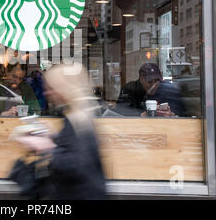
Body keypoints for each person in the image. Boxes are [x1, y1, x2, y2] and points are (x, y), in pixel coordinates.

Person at [11, 64, 106, 199]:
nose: (46, 93)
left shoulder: (79, 117)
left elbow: (77, 164)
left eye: (50, 88)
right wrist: (51, 136)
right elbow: (74, 148)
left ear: (62, 88)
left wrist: (45, 146)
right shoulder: (77, 113)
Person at [116, 63, 184, 117]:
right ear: (141, 79)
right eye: (150, 82)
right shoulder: (130, 89)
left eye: (157, 81)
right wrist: (140, 115)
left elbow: (179, 113)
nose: (154, 85)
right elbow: (119, 113)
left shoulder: (164, 90)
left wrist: (171, 115)